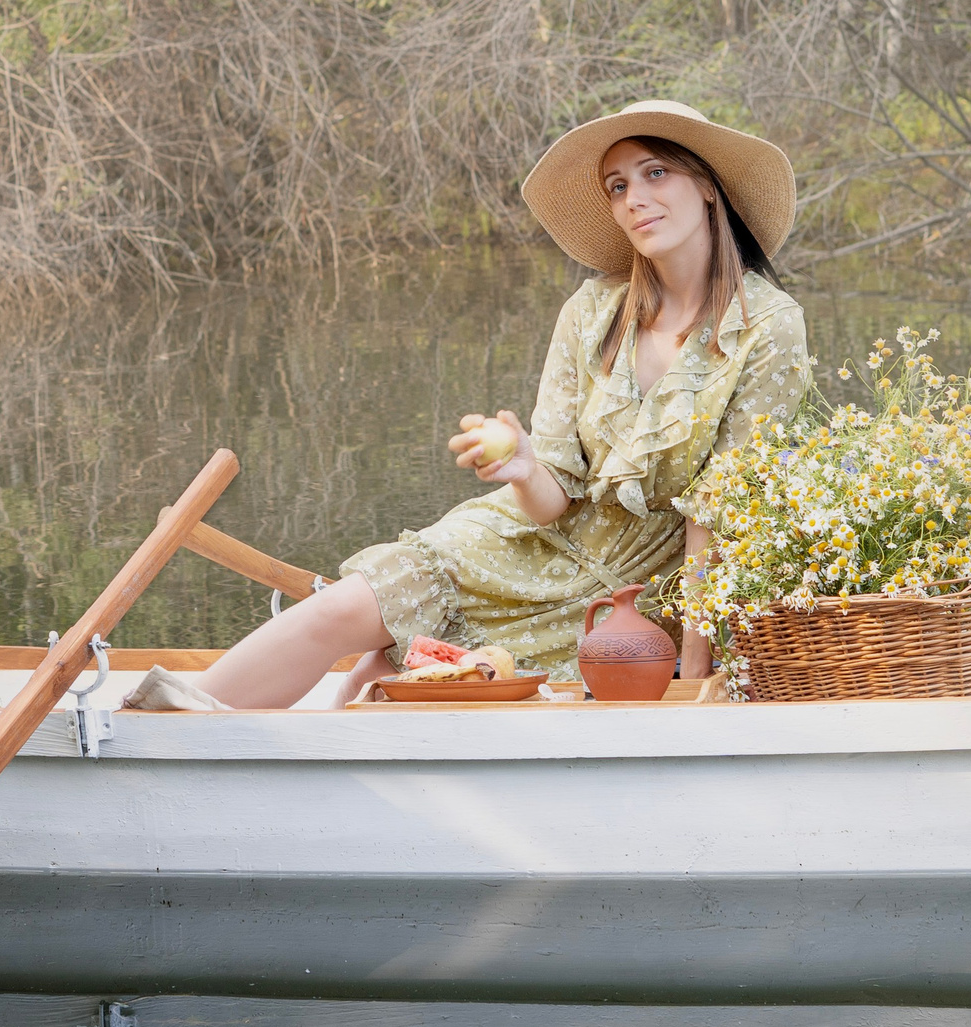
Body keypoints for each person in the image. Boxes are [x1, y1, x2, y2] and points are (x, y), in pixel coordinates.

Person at [128, 100, 814, 712]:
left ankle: (298, 730)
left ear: (708, 188)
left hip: (639, 595)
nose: (635, 196)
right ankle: (172, 727)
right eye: (618, 185)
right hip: (532, 541)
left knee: (382, 682)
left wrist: (693, 678)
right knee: (354, 603)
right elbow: (553, 498)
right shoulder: (591, 312)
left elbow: (721, 520)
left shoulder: (769, 326)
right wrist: (521, 466)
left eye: (656, 173)